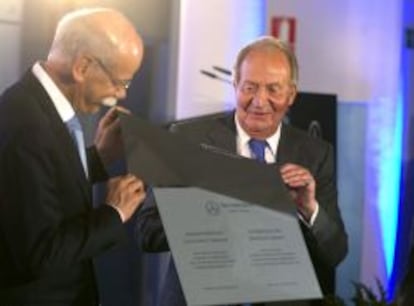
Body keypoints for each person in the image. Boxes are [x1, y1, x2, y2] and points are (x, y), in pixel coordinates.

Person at [136, 36, 348, 306]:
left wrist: (310, 209)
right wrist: (208, 210)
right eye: (250, 87)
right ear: (235, 85)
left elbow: (336, 253)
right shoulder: (188, 139)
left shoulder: (316, 154)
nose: (259, 101)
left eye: (273, 89)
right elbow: (147, 232)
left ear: (291, 94)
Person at [0, 7, 147, 305]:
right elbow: (40, 253)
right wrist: (113, 213)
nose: (122, 95)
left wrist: (99, 159)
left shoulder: (39, 107)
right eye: (120, 82)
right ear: (82, 67)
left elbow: (45, 187)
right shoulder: (25, 125)